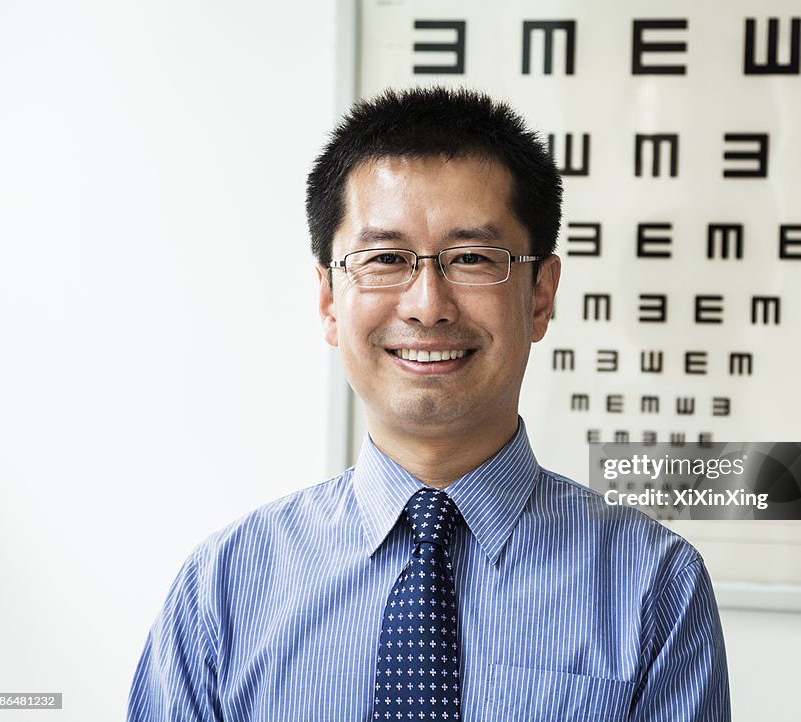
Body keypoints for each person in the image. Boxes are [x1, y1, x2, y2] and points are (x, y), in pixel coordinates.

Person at [128, 86, 731, 721]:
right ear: (329, 299)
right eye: (384, 258)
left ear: (540, 297)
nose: (426, 304)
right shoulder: (222, 588)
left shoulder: (653, 585)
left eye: (472, 258)